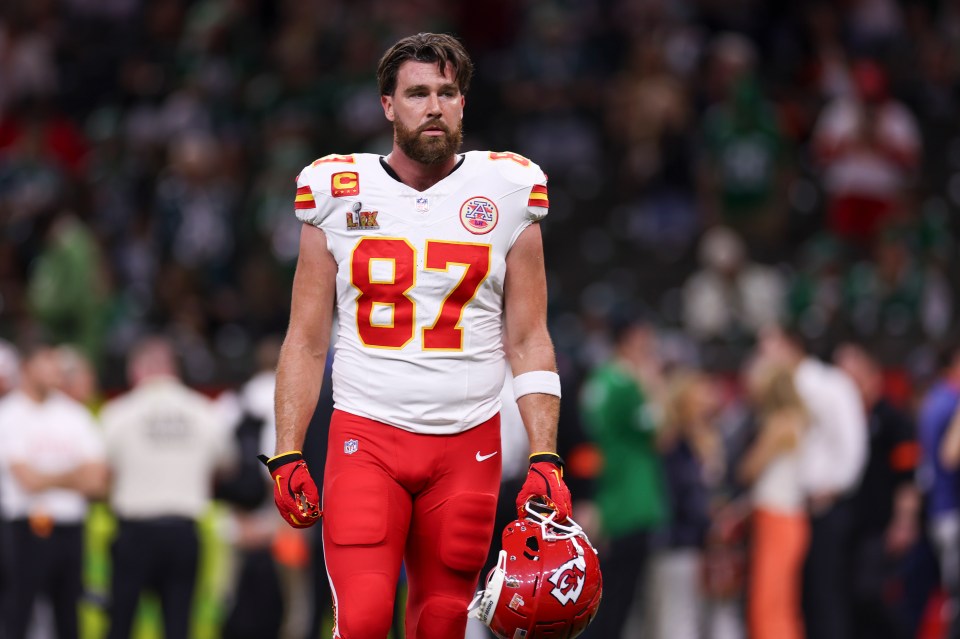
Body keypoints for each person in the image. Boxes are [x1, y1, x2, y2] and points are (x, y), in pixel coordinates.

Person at [260, 33, 570, 639]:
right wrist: (287, 448)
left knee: (443, 619)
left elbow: (530, 337)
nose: (434, 106)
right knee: (366, 618)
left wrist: (545, 454)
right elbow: (305, 340)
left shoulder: (507, 191)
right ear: (387, 105)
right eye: (418, 93)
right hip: (367, 434)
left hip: (468, 443)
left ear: (463, 102)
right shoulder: (336, 191)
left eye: (447, 92)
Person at [99, 336, 234, 639]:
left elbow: (102, 473)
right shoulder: (203, 411)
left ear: (137, 370)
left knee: (120, 622)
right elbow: (226, 465)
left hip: (134, 532)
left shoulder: (118, 412)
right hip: (183, 531)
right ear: (173, 369)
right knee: (178, 624)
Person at [759, 325, 867, 639]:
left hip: (824, 506)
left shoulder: (830, 384)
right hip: (790, 505)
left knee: (825, 595)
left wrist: (833, 487)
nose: (763, 355)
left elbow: (852, 443)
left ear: (792, 345)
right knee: (795, 600)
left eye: (770, 346)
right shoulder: (780, 387)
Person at [0, 341, 107, 639]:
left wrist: (48, 478)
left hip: (71, 527)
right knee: (18, 612)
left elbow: (97, 481)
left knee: (69, 615)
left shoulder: (75, 415)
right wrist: (74, 475)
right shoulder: (8, 415)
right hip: (25, 527)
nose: (55, 371)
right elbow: (26, 481)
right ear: (27, 368)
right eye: (46, 362)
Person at [578, 315, 667, 639]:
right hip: (629, 503)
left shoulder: (599, 380)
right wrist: (652, 383)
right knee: (617, 606)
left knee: (602, 601)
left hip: (607, 498)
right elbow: (661, 435)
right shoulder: (627, 384)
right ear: (630, 338)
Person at [834, 342, 918, 639]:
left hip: (879, 528)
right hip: (846, 527)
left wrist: (904, 522)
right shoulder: (843, 422)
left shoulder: (894, 420)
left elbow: (908, 480)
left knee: (872, 595)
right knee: (847, 602)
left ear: (872, 376)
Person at [738, 358, 809, 639]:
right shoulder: (795, 420)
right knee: (782, 602)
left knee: (767, 603)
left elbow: (749, 470)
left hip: (778, 518)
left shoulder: (780, 423)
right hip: (787, 518)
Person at [917, 342, 960, 639]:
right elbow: (949, 454)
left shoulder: (936, 398)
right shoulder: (950, 400)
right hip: (953, 511)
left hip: (941, 509)